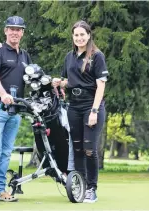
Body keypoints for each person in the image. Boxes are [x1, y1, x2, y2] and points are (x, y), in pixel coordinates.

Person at [52, 20, 109, 203]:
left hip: (91, 106)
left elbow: (100, 86)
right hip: (74, 106)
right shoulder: (69, 56)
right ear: (73, 37)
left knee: (89, 149)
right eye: (76, 35)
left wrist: (94, 110)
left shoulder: (97, 56)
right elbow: (70, 81)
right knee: (76, 148)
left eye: (82, 35)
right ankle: (82, 185)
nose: (79, 38)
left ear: (89, 35)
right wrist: (59, 83)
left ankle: (92, 189)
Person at [0, 16, 32, 205]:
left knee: (5, 153)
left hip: (15, 110)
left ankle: (0, 190)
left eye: (18, 29)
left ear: (22, 33)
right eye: (11, 28)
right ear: (5, 31)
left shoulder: (25, 55)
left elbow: (33, 77)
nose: (14, 32)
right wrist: (3, 94)